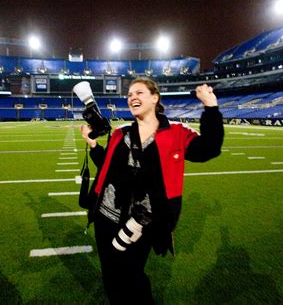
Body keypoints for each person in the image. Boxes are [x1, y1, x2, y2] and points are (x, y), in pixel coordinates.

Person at [80, 77, 224, 304]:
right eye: (129, 95)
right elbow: (108, 168)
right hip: (106, 217)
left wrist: (210, 106)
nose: (132, 97)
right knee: (110, 275)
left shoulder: (176, 132)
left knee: (133, 276)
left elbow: (209, 148)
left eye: (138, 93)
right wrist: (94, 146)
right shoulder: (121, 133)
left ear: (155, 98)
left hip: (142, 222)